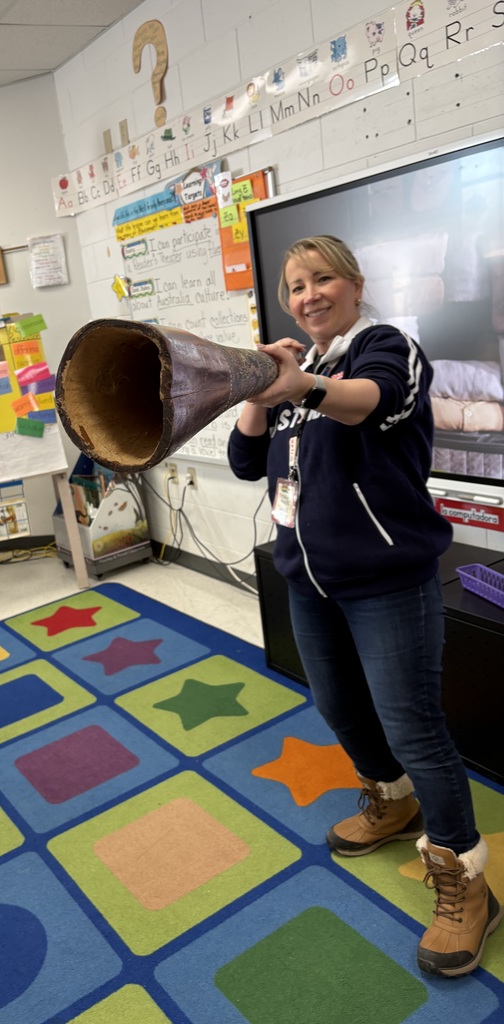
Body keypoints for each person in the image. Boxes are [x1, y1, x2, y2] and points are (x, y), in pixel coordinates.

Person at [228, 234, 501, 977]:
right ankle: (392, 800)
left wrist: (302, 388)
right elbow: (246, 460)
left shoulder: (387, 346)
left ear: (353, 285)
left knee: (413, 724)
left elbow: (370, 402)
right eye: (295, 286)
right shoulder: (300, 369)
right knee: (337, 707)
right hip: (309, 582)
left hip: (387, 581)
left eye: (322, 280)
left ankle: (467, 881)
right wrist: (259, 391)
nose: (308, 295)